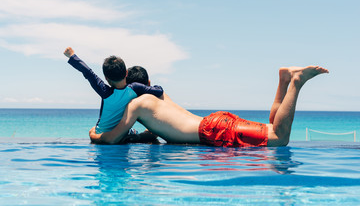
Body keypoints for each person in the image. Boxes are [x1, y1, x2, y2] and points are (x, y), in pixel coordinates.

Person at [89, 66, 329, 147]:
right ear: (147, 82)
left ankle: (296, 82)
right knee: (272, 128)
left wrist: (95, 134)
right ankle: (283, 79)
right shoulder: (158, 95)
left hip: (213, 131)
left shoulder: (136, 105)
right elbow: (158, 130)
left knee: (280, 137)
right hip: (215, 122)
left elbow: (111, 138)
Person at [64, 47, 164, 134]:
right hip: (120, 135)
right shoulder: (135, 88)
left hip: (100, 133)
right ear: (126, 73)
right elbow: (159, 90)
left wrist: (72, 56)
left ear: (106, 78)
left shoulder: (105, 92)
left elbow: (88, 72)